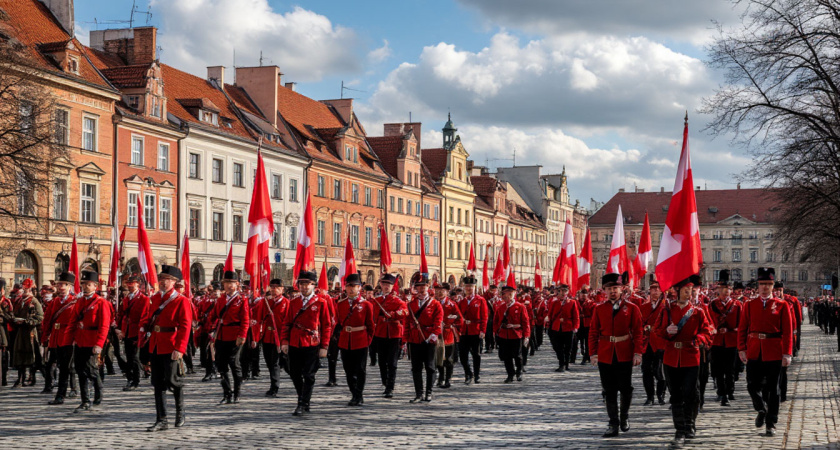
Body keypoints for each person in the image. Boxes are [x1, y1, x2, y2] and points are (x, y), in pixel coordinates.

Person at [655, 275, 712, 447]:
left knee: (691, 393)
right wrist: (667, 331)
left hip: (691, 356)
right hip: (671, 357)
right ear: (677, 291)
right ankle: (679, 430)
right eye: (685, 290)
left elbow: (707, 333)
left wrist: (699, 340)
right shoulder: (667, 310)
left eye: (691, 290)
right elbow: (657, 330)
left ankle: (690, 424)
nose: (689, 293)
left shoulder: (698, 312)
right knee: (676, 395)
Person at [737, 267, 793, 437]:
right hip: (754, 350)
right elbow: (742, 328)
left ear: (773, 286)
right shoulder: (749, 304)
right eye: (762, 284)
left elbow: (788, 331)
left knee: (773, 389)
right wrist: (741, 348)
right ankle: (761, 408)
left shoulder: (781, 305)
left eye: (768, 284)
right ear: (757, 286)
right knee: (752, 385)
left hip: (774, 351)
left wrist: (787, 353)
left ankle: (771, 423)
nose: (765, 288)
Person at [588, 273, 643, 437]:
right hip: (605, 353)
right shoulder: (599, 309)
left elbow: (638, 332)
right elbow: (593, 332)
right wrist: (593, 353)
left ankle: (624, 416)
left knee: (625, 388)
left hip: (624, 352)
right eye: (609, 288)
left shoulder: (632, 308)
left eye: (616, 288)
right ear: (604, 290)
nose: (613, 291)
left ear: (622, 289)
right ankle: (613, 423)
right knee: (609, 389)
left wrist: (637, 352)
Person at [141, 265, 192, 431]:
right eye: (161, 279)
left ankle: (180, 411)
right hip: (156, 343)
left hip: (171, 344)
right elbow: (149, 318)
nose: (163, 282)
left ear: (174, 282)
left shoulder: (181, 300)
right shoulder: (155, 298)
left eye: (167, 279)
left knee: (173, 380)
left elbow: (185, 327)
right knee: (157, 383)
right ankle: (161, 419)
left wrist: (180, 348)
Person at [280, 270, 333, 416]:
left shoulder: (321, 302)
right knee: (295, 374)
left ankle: (302, 404)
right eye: (301, 284)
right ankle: (303, 398)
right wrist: (284, 341)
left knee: (309, 375)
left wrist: (324, 346)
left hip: (312, 343)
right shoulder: (293, 302)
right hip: (295, 342)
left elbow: (327, 325)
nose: (304, 287)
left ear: (314, 286)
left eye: (307, 284)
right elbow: (286, 323)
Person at [70, 271, 111, 412]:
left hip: (93, 340)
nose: (85, 287)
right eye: (83, 284)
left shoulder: (101, 303)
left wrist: (99, 344)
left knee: (91, 370)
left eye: (89, 284)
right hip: (80, 340)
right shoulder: (79, 301)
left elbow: (104, 325)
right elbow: (73, 321)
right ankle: (85, 401)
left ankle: (99, 390)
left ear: (95, 286)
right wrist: (72, 338)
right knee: (80, 371)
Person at [206, 271, 249, 405]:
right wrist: (210, 328)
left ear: (236, 284)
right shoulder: (220, 299)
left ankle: (237, 393)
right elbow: (213, 315)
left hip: (235, 335)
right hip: (221, 334)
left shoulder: (242, 300)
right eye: (226, 283)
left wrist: (242, 335)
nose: (228, 286)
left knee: (234, 364)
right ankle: (227, 393)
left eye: (231, 283)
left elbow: (245, 319)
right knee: (221, 364)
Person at [336, 273, 375, 406]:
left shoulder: (366, 305)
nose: (351, 289)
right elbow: (338, 323)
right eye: (349, 286)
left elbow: (371, 326)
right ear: (345, 288)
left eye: (354, 286)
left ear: (359, 288)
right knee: (348, 370)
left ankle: (359, 394)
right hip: (345, 340)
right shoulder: (340, 304)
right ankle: (353, 393)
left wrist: (367, 341)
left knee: (360, 369)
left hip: (361, 340)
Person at [405, 273, 443, 403]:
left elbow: (438, 322)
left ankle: (429, 392)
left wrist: (433, 335)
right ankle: (418, 393)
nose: (421, 289)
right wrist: (406, 340)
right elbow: (407, 323)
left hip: (429, 338)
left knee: (430, 367)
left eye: (424, 286)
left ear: (428, 287)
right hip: (415, 339)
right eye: (418, 287)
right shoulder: (410, 304)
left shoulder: (435, 304)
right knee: (416, 367)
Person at [42, 272, 78, 405]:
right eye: (59, 284)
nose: (60, 286)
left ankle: (61, 395)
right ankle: (58, 391)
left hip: (68, 337)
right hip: (55, 337)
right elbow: (47, 320)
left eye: (63, 284)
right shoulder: (55, 302)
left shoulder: (74, 302)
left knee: (65, 367)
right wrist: (45, 336)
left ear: (69, 286)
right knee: (54, 364)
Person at [371, 274, 407, 398]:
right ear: (381, 285)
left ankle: (390, 387)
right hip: (380, 333)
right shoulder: (377, 301)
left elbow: (404, 312)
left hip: (394, 334)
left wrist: (393, 314)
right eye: (384, 284)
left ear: (392, 286)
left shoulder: (398, 301)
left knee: (392, 362)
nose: (386, 287)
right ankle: (385, 382)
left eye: (389, 285)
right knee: (381, 362)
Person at [708, 270, 741, 407]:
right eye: (722, 289)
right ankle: (721, 393)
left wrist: (732, 330)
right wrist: (714, 329)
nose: (725, 291)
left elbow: (741, 324)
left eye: (727, 289)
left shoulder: (737, 305)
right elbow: (708, 322)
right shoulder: (712, 305)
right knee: (718, 369)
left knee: (730, 369)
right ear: (718, 290)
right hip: (716, 341)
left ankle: (730, 390)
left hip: (731, 340)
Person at [254, 279, 288, 398]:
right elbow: (258, 318)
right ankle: (274, 384)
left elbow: (287, 322)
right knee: (269, 362)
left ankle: (274, 387)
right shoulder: (265, 302)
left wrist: (285, 339)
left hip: (279, 337)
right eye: (272, 286)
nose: (274, 289)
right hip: (267, 336)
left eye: (277, 287)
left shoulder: (286, 303)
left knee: (276, 363)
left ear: (282, 289)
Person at [493, 284, 531, 383]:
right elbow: (496, 321)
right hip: (504, 335)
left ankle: (519, 371)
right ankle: (510, 374)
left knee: (517, 355)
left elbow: (525, 322)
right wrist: (496, 331)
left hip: (516, 334)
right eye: (504, 294)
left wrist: (526, 336)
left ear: (512, 294)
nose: (504, 296)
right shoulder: (501, 307)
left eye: (507, 294)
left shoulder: (520, 307)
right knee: (506, 357)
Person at [117, 276, 149, 391]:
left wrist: (142, 332)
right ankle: (130, 378)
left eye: (132, 283)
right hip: (127, 330)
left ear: (138, 285)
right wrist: (120, 329)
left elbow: (144, 316)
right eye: (128, 283)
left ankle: (135, 380)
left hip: (136, 330)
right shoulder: (126, 298)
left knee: (134, 357)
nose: (130, 285)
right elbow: (122, 315)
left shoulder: (143, 299)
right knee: (128, 356)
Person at [10, 279, 43, 387]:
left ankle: (32, 377)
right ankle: (20, 378)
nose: (24, 291)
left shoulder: (34, 301)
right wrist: (14, 319)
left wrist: (27, 321)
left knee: (31, 354)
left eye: (27, 289)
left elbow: (40, 317)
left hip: (30, 331)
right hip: (20, 331)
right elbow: (14, 313)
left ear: (31, 290)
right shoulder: (20, 301)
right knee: (19, 354)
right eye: (23, 289)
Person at [640, 277, 666, 406]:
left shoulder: (666, 306)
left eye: (657, 289)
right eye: (652, 289)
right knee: (646, 370)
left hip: (660, 343)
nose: (655, 291)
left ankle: (661, 394)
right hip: (647, 343)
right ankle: (650, 396)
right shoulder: (643, 307)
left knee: (659, 371)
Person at [458, 276, 487, 384]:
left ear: (475, 287)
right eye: (467, 286)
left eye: (471, 286)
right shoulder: (462, 301)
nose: (469, 288)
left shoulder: (480, 300)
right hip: (464, 331)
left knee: (476, 354)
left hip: (476, 330)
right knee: (463, 355)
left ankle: (477, 374)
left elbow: (484, 316)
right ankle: (468, 373)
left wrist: (483, 330)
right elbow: (459, 315)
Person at [546, 283, 579, 372]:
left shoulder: (572, 302)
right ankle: (562, 362)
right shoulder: (554, 302)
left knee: (568, 347)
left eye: (565, 291)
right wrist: (549, 324)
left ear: (567, 292)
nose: (563, 292)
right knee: (557, 346)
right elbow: (550, 314)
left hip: (568, 327)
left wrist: (575, 327)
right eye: (561, 291)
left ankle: (565, 364)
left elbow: (576, 316)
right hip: (556, 327)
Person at [436, 283, 462, 389]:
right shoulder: (433, 303)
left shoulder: (451, 304)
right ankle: (441, 377)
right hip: (437, 335)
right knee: (438, 358)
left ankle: (447, 379)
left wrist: (450, 323)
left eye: (443, 290)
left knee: (448, 358)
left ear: (447, 292)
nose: (440, 292)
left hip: (448, 335)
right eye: (438, 290)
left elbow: (459, 318)